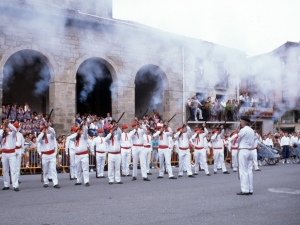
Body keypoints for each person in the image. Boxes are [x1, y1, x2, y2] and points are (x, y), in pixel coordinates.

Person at [235, 117, 255, 195]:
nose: (240, 123)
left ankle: (245, 189)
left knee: (243, 171)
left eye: (240, 122)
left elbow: (236, 140)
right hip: (251, 151)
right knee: (249, 170)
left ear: (243, 122)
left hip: (243, 150)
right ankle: (250, 189)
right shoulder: (252, 130)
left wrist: (237, 133)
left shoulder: (243, 130)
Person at [37, 124, 60, 189]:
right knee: (45, 170)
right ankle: (46, 182)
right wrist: (42, 132)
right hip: (45, 155)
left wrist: (48, 127)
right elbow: (38, 140)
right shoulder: (41, 138)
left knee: (53, 169)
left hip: (52, 154)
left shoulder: (51, 136)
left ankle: (55, 183)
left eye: (46, 130)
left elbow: (53, 132)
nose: (46, 131)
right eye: (45, 130)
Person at [68, 121, 90, 187]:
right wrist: (76, 133)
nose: (81, 132)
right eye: (79, 131)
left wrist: (85, 125)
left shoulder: (84, 137)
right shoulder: (75, 138)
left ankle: (86, 181)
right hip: (77, 155)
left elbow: (86, 132)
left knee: (85, 168)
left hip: (84, 154)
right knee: (78, 168)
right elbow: (69, 138)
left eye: (81, 131)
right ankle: (79, 180)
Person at [0, 119, 19, 191]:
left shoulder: (12, 134)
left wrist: (8, 124)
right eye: (6, 127)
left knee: (13, 170)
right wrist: (3, 128)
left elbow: (15, 130)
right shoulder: (2, 135)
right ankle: (6, 184)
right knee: (5, 170)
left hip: (11, 153)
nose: (7, 128)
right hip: (4, 153)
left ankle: (15, 185)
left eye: (8, 127)